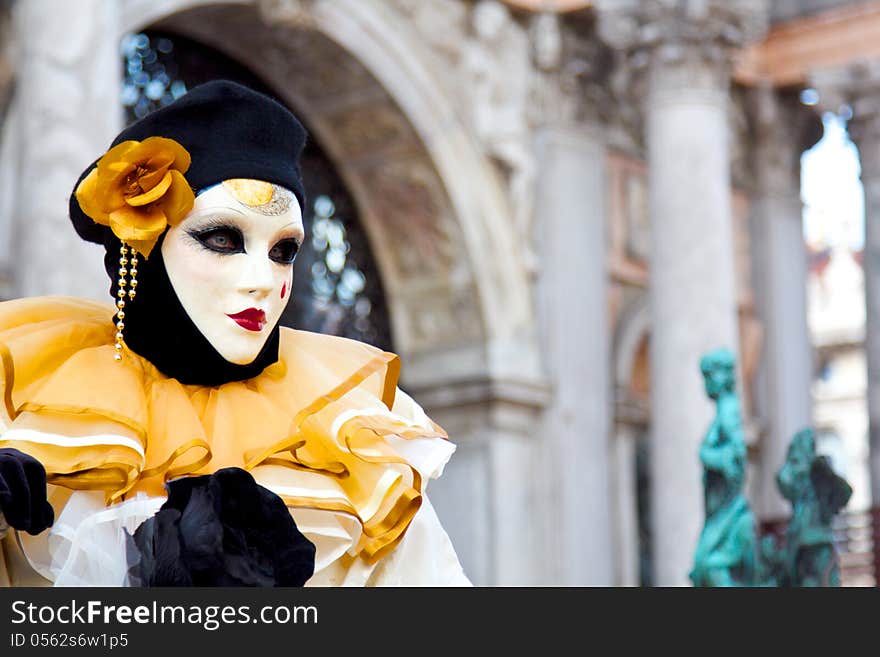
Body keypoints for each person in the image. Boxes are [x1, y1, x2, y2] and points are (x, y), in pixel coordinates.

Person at [0, 80, 470, 586]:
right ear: (143, 251)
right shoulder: (23, 407)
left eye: (284, 251)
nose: (263, 282)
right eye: (222, 239)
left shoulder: (349, 438)